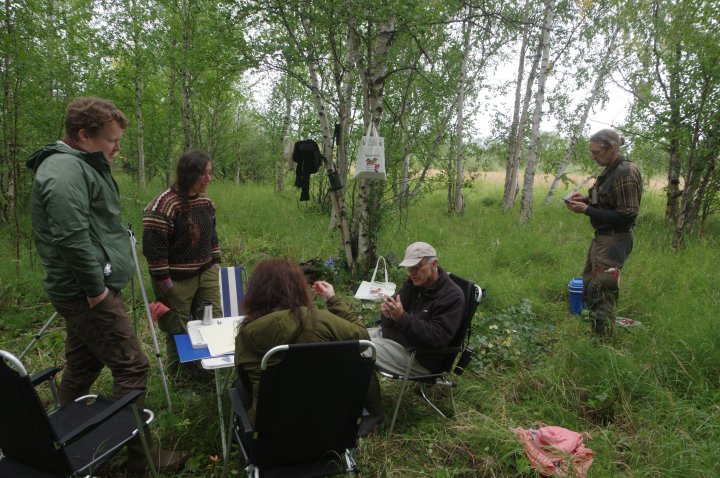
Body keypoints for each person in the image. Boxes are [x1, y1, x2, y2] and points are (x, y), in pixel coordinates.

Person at [26, 96, 189, 476]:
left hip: (86, 289)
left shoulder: (80, 164)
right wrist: (96, 289)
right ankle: (141, 461)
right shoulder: (64, 171)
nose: (117, 148)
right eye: (112, 140)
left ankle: (61, 452)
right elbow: (70, 237)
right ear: (84, 135)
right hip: (87, 293)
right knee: (133, 367)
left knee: (82, 368)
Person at [233, 259, 373, 425]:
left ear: (256, 293)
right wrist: (333, 300)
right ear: (298, 289)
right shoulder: (323, 321)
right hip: (330, 426)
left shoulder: (248, 333)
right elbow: (363, 337)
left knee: (238, 388)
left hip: (270, 434)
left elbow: (247, 382)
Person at [142, 150, 222, 380]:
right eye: (203, 174)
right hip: (175, 280)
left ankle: (208, 373)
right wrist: (166, 284)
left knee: (212, 319)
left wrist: (215, 263)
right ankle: (181, 378)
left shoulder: (206, 202)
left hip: (206, 272)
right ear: (188, 174)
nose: (208, 179)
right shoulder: (162, 206)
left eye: (210, 173)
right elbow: (154, 252)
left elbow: (211, 236)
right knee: (178, 329)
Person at [566, 129, 642, 336]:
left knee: (601, 291)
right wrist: (587, 200)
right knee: (590, 286)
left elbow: (627, 216)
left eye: (597, 152)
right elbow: (610, 203)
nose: (593, 156)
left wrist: (588, 210)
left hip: (614, 240)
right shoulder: (611, 170)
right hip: (602, 240)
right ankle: (598, 332)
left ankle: (604, 343)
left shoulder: (625, 172)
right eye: (592, 152)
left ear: (613, 148)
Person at [370, 241, 465, 376]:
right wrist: (388, 313)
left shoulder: (452, 296)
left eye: (417, 267)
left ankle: (363, 396)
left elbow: (437, 338)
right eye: (409, 268)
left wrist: (401, 317)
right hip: (396, 338)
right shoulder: (414, 283)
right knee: (347, 338)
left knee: (357, 349)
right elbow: (394, 318)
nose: (411, 273)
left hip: (420, 357)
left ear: (434, 264)